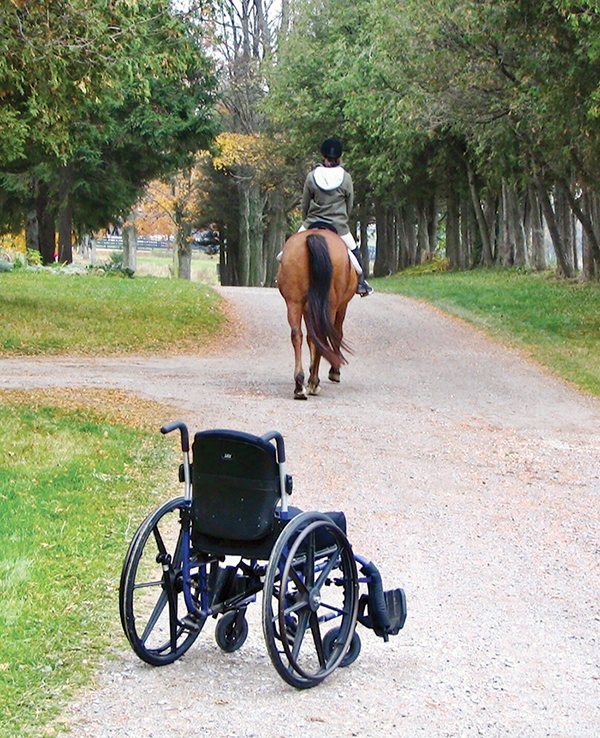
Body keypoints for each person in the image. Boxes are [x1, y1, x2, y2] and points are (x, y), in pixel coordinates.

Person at [300, 137, 373, 296]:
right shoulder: (345, 178)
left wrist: (305, 220)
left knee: (285, 253)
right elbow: (349, 204)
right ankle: (361, 283)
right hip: (338, 225)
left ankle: (283, 274)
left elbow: (305, 204)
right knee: (354, 253)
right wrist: (342, 218)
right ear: (339, 158)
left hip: (312, 222)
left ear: (323, 156)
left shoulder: (312, 177)